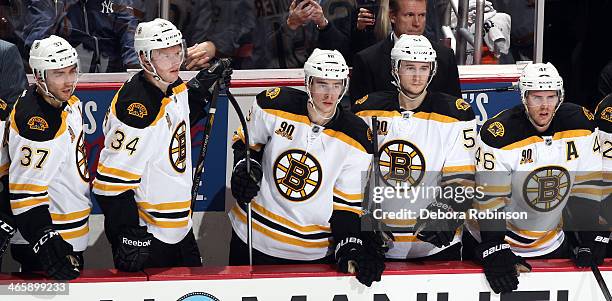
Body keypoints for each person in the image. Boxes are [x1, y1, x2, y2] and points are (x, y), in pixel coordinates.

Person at [228, 49, 384, 287]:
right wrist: (244, 166)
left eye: (336, 85)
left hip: (312, 252)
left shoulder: (358, 137)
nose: (330, 94)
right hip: (252, 238)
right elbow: (248, 144)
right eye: (322, 84)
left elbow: (346, 206)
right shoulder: (273, 103)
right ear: (308, 83)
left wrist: (350, 245)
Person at [92, 18, 231, 271]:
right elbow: (110, 186)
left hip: (179, 228)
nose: (175, 60)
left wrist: (203, 83)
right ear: (145, 59)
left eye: (178, 52)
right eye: (164, 55)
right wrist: (128, 234)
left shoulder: (172, 85)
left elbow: (178, 121)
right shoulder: (137, 109)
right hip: (151, 235)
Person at [469, 62, 604, 294]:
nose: (544, 106)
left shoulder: (581, 125)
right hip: (500, 242)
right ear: (524, 97)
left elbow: (587, 186)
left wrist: (589, 236)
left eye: (551, 97)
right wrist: (493, 245)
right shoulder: (499, 134)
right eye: (537, 98)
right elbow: (490, 199)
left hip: (552, 242)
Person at [352, 35, 477, 261]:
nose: (418, 76)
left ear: (433, 70)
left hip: (434, 247)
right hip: (381, 243)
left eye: (424, 68)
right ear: (395, 69)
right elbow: (353, 174)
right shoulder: (367, 109)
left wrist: (448, 212)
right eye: (410, 67)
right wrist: (363, 216)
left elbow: (463, 178)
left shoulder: (456, 114)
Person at [6, 35, 91, 280]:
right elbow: (25, 194)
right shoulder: (38, 124)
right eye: (58, 74)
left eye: (72, 71)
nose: (68, 81)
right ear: (40, 75)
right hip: (48, 240)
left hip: (68, 232)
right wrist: (45, 240)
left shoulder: (66, 103)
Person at [350, 0, 460, 102]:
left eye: (422, 15)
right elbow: (360, 115)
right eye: (410, 15)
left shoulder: (445, 57)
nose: (417, 23)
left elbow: (456, 112)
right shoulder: (367, 60)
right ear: (392, 16)